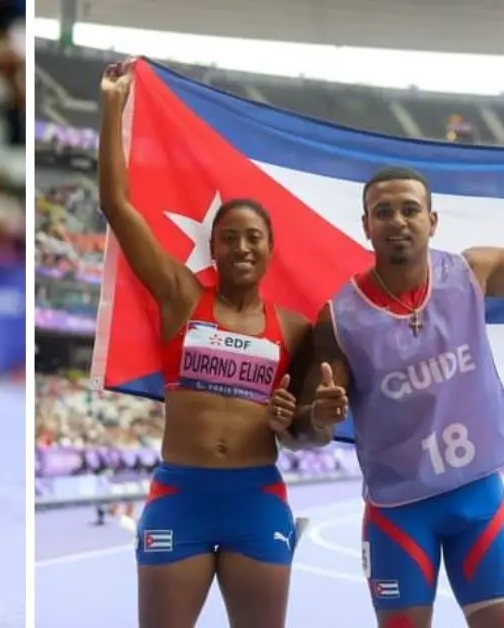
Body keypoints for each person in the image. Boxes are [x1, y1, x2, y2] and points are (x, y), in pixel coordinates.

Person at [291, 166, 504, 628]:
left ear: (432, 221)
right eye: (383, 212)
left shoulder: (470, 275)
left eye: (410, 209)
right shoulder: (339, 318)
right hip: (399, 514)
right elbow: (306, 432)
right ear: (366, 226)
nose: (397, 221)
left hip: (480, 501)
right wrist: (321, 416)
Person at [98, 61, 314, 628]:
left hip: (256, 496)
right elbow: (119, 209)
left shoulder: (295, 329)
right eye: (229, 237)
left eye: (254, 238)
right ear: (212, 247)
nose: (242, 246)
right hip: (181, 494)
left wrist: (294, 421)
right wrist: (111, 107)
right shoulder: (180, 298)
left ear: (270, 249)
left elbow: (304, 434)